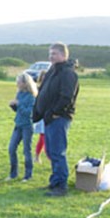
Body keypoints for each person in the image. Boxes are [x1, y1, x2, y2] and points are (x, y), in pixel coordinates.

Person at [32, 42, 80, 197]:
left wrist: (54, 113)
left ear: (63, 55)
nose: (50, 57)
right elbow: (43, 91)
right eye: (50, 53)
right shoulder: (53, 71)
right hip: (48, 118)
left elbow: (66, 97)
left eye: (54, 54)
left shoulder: (68, 74)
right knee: (51, 151)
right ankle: (54, 182)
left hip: (59, 118)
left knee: (58, 152)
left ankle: (61, 185)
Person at [6, 72, 38, 182]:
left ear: (25, 83)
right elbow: (19, 111)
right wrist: (13, 106)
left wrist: (19, 104)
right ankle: (13, 173)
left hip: (27, 126)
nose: (17, 84)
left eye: (19, 82)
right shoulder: (19, 94)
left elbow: (29, 113)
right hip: (18, 125)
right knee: (11, 148)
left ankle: (28, 175)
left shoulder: (31, 97)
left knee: (26, 150)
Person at [33, 70, 48, 164]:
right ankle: (38, 156)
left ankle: (38, 156)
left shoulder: (51, 88)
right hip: (41, 116)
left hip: (48, 116)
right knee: (43, 137)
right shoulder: (38, 89)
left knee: (45, 138)